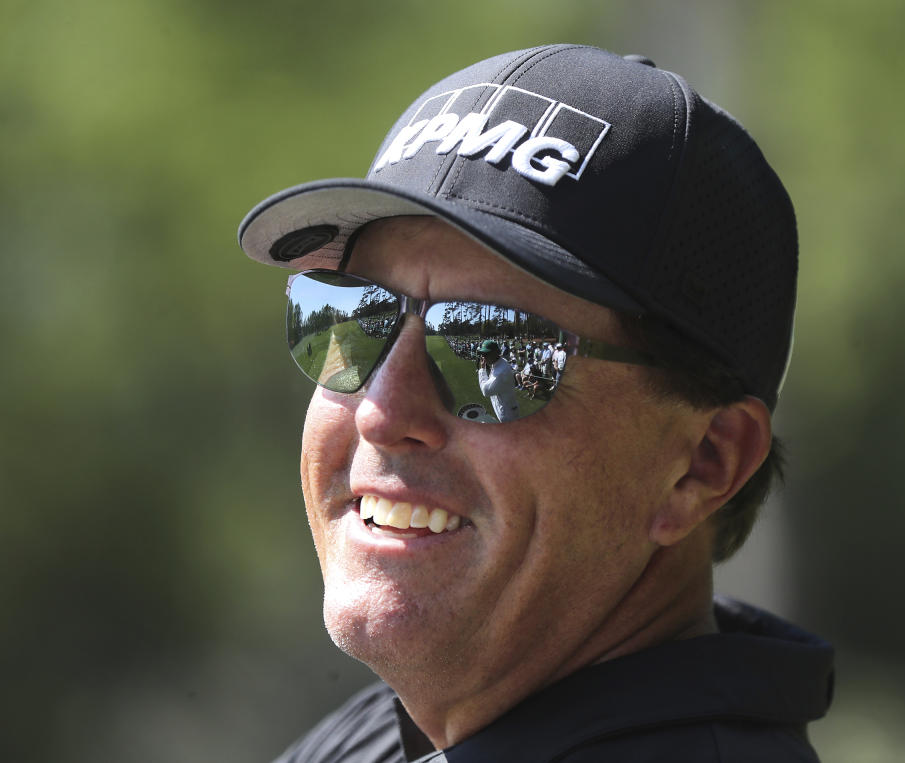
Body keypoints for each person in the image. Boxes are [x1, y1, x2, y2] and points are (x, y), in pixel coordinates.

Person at [238, 45, 833, 762]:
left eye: (491, 346)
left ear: (705, 462)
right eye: (355, 318)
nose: (381, 410)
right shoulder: (406, 729)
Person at [476, 338, 520, 422]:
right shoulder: (500, 362)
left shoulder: (500, 373)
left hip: (508, 415)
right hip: (507, 409)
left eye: (486, 354)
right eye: (482, 354)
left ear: (495, 353)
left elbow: (485, 391)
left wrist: (482, 370)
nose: (483, 357)